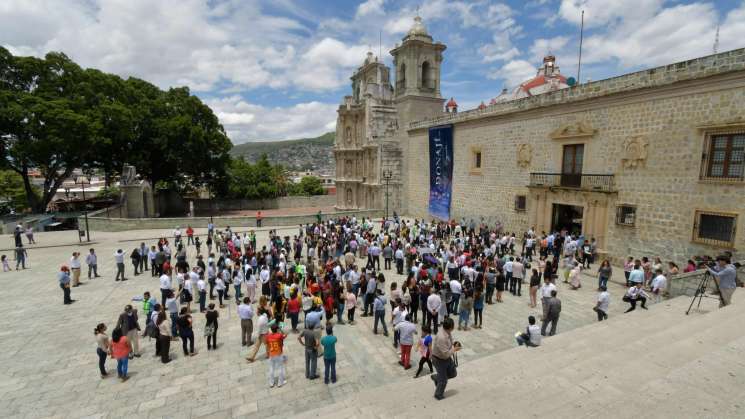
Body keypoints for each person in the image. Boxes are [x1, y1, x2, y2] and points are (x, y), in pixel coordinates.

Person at [431, 316, 460, 400]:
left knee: (453, 373)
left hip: (446, 358)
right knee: (443, 380)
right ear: (451, 327)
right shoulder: (441, 338)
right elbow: (445, 354)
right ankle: (438, 394)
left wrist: (454, 345)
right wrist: (454, 349)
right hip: (439, 359)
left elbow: (449, 344)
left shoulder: (447, 332)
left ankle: (437, 377)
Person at [266, 323, 287, 388]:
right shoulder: (279, 335)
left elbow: (267, 344)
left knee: (271, 368)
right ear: (277, 329)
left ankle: (271, 383)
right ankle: (280, 383)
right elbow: (285, 335)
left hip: (271, 353)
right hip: (278, 353)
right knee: (280, 367)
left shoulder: (268, 336)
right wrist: (281, 329)